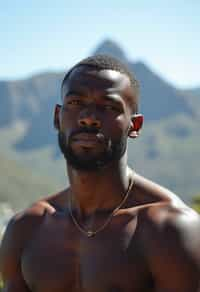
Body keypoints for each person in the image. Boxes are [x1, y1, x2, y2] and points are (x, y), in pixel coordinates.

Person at [0, 54, 200, 292]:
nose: (88, 118)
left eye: (108, 106)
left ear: (134, 126)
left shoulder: (169, 229)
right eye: (75, 103)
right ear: (57, 117)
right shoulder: (27, 228)